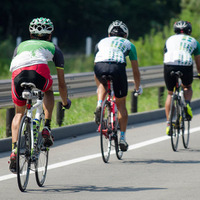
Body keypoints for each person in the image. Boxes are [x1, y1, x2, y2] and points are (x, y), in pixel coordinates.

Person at [9, 17, 71, 173]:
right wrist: (65, 102)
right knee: (48, 90)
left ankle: (15, 150)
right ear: (49, 35)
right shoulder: (54, 48)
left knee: (18, 113)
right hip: (38, 72)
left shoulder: (20, 46)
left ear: (30, 34)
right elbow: (61, 84)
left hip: (18, 74)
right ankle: (47, 127)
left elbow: (16, 64)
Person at [94, 20, 142, 152]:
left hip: (99, 66)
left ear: (109, 34)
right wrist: (137, 88)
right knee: (121, 104)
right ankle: (122, 138)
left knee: (103, 82)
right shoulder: (129, 45)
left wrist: (99, 88)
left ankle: (99, 104)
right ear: (125, 35)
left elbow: (95, 70)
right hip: (117, 67)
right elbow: (135, 71)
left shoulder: (101, 42)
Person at [164, 20, 200, 135]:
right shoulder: (194, 41)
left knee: (170, 93)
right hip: (185, 64)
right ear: (189, 31)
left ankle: (169, 124)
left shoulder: (169, 39)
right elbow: (198, 62)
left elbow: (166, 54)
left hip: (169, 64)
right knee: (187, 87)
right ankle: (187, 104)